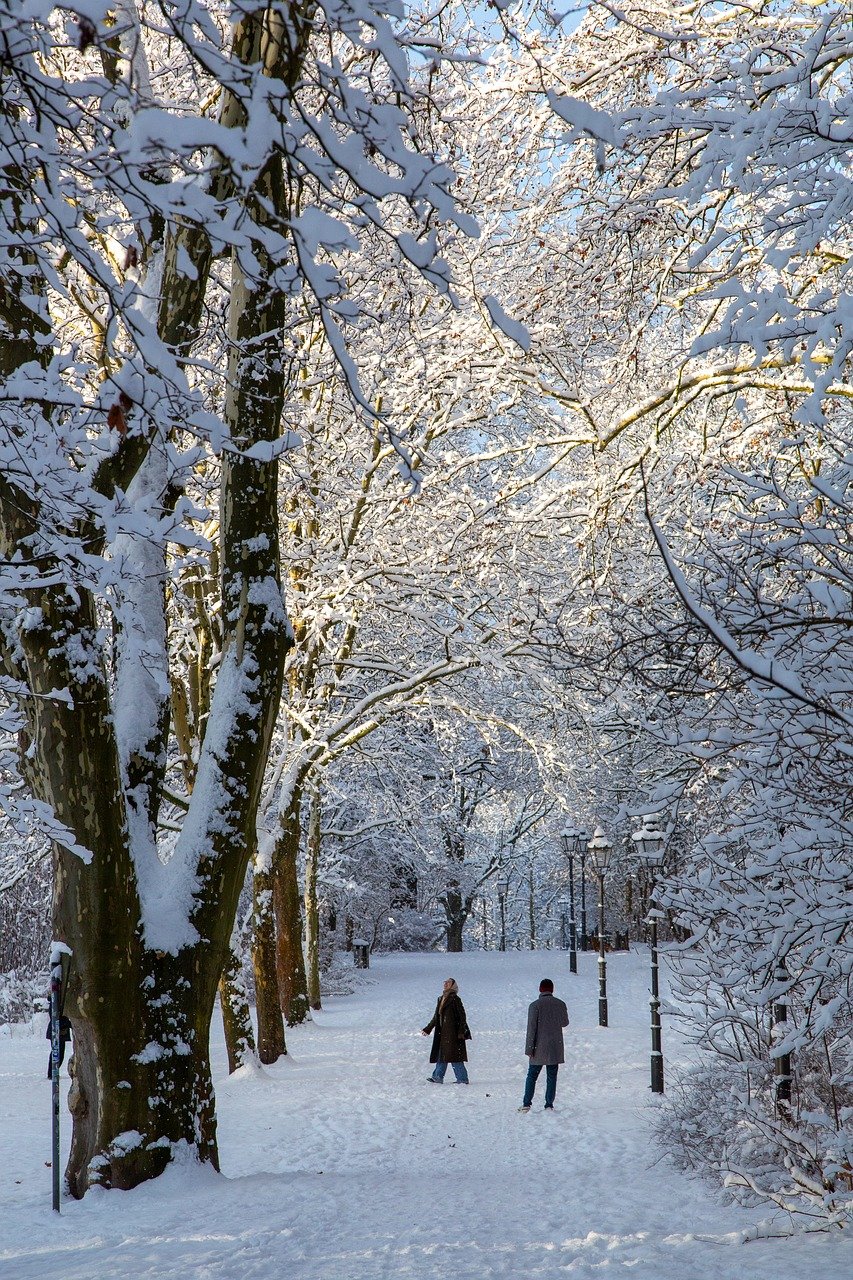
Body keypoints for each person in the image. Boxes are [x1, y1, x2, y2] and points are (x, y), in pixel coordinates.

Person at [518, 978, 569, 1112]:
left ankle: (526, 1103)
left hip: (538, 1046)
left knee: (532, 1076)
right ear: (552, 989)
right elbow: (565, 1022)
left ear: (540, 989)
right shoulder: (560, 1004)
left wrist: (529, 1048)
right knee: (552, 1077)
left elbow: (531, 1028)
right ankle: (549, 1104)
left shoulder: (535, 1005)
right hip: (554, 1046)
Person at [422, 977, 471, 1083]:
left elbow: (462, 1016)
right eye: (445, 982)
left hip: (453, 1033)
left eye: (448, 983)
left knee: (454, 1056)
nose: (445, 984)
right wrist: (428, 1028)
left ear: (453, 985)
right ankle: (437, 1077)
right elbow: (436, 1016)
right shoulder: (441, 998)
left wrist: (461, 1031)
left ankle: (462, 1079)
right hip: (442, 1033)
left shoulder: (455, 999)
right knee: (442, 1054)